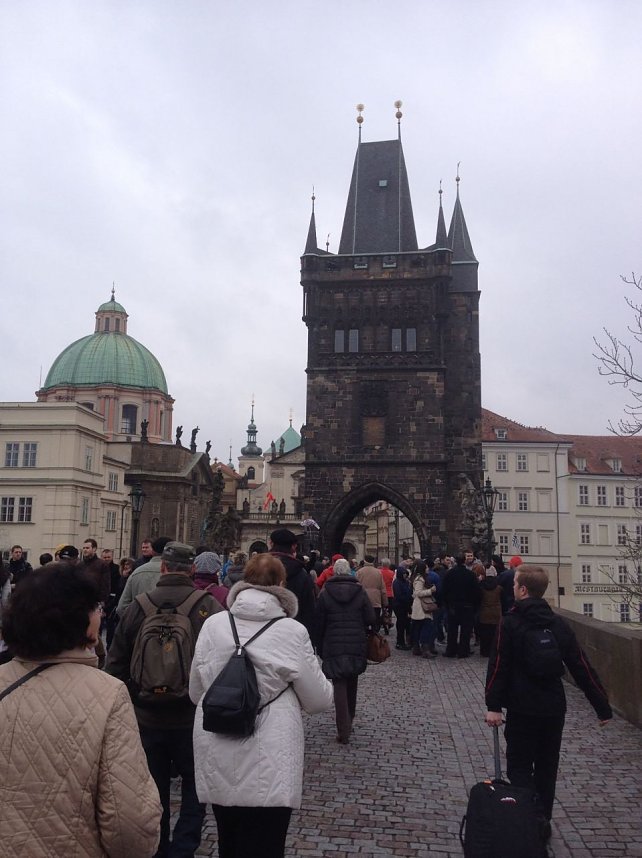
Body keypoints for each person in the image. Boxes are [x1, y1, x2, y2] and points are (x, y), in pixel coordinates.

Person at [0, 563, 161, 857]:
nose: (101, 614)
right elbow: (130, 825)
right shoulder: (108, 694)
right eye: (96, 607)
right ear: (80, 620)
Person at [190, 553, 333, 858]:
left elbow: (195, 691)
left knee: (228, 840)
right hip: (271, 751)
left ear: (243, 581)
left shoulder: (214, 624)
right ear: (282, 584)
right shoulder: (292, 631)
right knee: (268, 844)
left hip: (218, 743)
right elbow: (319, 700)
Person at [106, 541, 222, 858]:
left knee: (152, 787)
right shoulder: (209, 608)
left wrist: (133, 697)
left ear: (163, 567)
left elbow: (114, 664)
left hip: (146, 716)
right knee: (194, 785)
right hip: (191, 716)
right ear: (193, 569)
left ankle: (157, 847)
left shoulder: (138, 607)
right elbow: (223, 667)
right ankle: (184, 847)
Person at [485, 565, 612, 838]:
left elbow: (498, 666)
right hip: (554, 708)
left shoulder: (510, 623)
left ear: (522, 589)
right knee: (547, 767)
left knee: (519, 766)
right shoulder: (557, 624)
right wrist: (602, 706)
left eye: (515, 583)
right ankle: (543, 819)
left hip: (522, 707)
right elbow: (581, 666)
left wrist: (494, 706)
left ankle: (528, 817)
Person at [314, 557, 375, 744]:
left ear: (333, 572)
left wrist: (319, 643)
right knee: (352, 680)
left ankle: (343, 728)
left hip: (333, 642)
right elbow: (371, 618)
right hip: (355, 641)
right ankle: (350, 717)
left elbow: (319, 622)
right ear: (349, 572)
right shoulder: (360, 591)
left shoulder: (325, 593)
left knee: (339, 682)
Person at [268, 528, 316, 635]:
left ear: (270, 543)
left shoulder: (255, 569)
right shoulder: (302, 574)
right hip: (292, 633)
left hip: (257, 636)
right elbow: (309, 612)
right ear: (294, 547)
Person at [117, 536, 172, 615]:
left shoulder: (136, 572)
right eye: (143, 547)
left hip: (140, 623)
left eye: (146, 547)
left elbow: (121, 608)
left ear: (152, 551)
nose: (144, 549)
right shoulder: (178, 573)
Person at [441, 552, 481, 658]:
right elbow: (476, 591)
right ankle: (464, 650)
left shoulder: (449, 574)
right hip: (467, 606)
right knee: (466, 630)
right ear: (464, 561)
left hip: (453, 606)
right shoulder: (470, 574)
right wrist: (475, 606)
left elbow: (444, 590)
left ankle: (451, 650)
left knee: (452, 630)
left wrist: (446, 604)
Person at [409, 561, 438, 658]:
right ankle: (425, 649)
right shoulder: (420, 579)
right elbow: (418, 593)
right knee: (426, 627)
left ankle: (417, 647)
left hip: (420, 606)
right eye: (426, 568)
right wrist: (430, 591)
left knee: (418, 627)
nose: (428, 569)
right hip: (421, 606)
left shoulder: (419, 578)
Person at [356, 555, 388, 631]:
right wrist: (385, 602)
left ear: (364, 561)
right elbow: (383, 589)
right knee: (375, 621)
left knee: (363, 621)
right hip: (376, 601)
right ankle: (375, 637)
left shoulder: (359, 572)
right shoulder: (378, 572)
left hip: (362, 600)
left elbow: (356, 587)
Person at [477, 565, 502, 657]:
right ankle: (494, 650)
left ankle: (484, 651)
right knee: (494, 633)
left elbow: (478, 599)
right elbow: (503, 600)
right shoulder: (499, 587)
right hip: (496, 613)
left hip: (484, 612)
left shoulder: (482, 586)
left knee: (484, 633)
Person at [392, 565, 412, 650]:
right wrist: (408, 597)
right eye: (404, 573)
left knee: (406, 623)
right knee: (401, 624)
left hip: (406, 605)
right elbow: (398, 595)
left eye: (406, 574)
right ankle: (400, 642)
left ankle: (407, 641)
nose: (405, 575)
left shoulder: (406, 582)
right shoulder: (397, 582)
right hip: (399, 605)